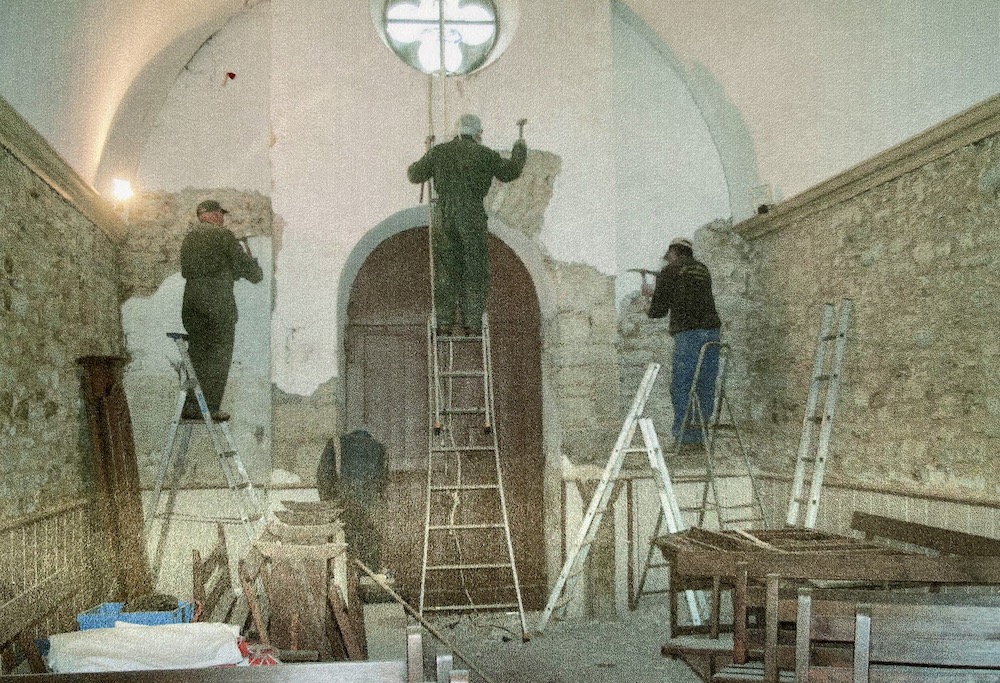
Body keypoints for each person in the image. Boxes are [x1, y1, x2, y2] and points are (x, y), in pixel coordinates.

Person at [407, 113, 527, 334]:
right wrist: (519, 148)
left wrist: (426, 156)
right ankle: (472, 322)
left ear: (457, 132)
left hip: (444, 213)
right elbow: (511, 172)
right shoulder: (484, 154)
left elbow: (415, 175)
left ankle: (444, 322)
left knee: (445, 266)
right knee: (475, 266)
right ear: (478, 134)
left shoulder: (439, 152)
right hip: (471, 212)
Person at [180, 199, 263, 421]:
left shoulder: (188, 240)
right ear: (210, 215)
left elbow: (200, 267)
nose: (221, 218)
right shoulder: (222, 236)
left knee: (197, 354)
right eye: (219, 214)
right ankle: (210, 407)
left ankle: (190, 405)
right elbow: (251, 273)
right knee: (219, 355)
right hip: (217, 302)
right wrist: (253, 265)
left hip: (192, 303)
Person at [644, 237, 722, 445]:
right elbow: (687, 293)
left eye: (667, 256)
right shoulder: (702, 269)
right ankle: (701, 436)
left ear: (673, 253)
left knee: (683, 385)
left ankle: (685, 439)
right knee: (705, 385)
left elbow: (657, 312)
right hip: (713, 333)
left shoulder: (669, 270)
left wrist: (648, 299)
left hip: (689, 335)